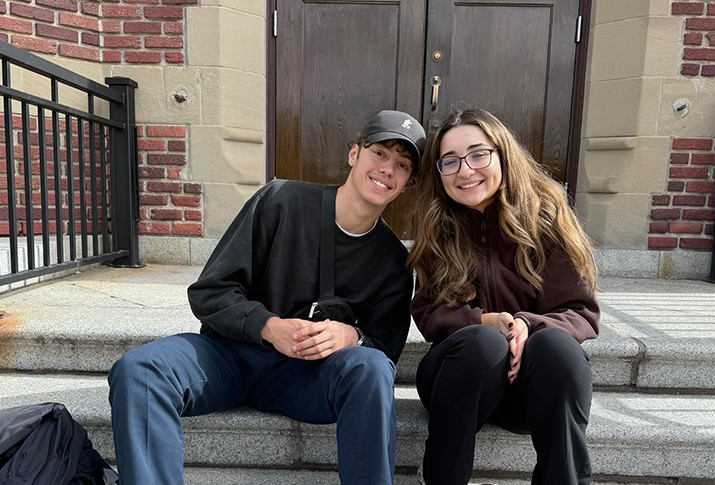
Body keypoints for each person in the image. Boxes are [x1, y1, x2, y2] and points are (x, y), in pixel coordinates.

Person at [107, 110, 427, 485]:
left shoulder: (393, 262)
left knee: (370, 369)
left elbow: (384, 353)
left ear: (406, 184)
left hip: (307, 379)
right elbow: (210, 292)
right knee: (140, 370)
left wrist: (351, 337)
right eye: (379, 153)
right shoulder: (281, 201)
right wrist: (269, 326)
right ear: (354, 153)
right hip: (231, 356)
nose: (388, 169)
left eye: (402, 164)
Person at [407, 107, 600, 485]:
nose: (465, 170)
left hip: (532, 387)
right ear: (439, 172)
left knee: (557, 350)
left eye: (478, 154)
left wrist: (530, 325)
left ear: (502, 153)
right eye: (450, 161)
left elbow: (581, 311)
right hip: (459, 378)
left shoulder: (546, 218)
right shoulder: (437, 226)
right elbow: (428, 313)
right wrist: (482, 321)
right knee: (482, 342)